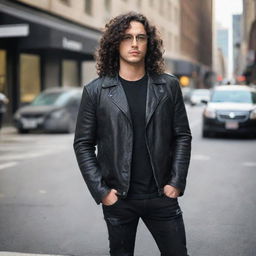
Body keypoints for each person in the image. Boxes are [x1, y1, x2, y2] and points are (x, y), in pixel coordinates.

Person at [74, 12, 192, 256]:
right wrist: (102, 192)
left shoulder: (168, 86)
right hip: (119, 199)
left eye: (141, 37)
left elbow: (182, 135)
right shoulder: (96, 91)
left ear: (150, 43)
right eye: (127, 38)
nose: (135, 44)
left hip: (161, 195)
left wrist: (176, 182)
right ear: (115, 43)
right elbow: (83, 144)